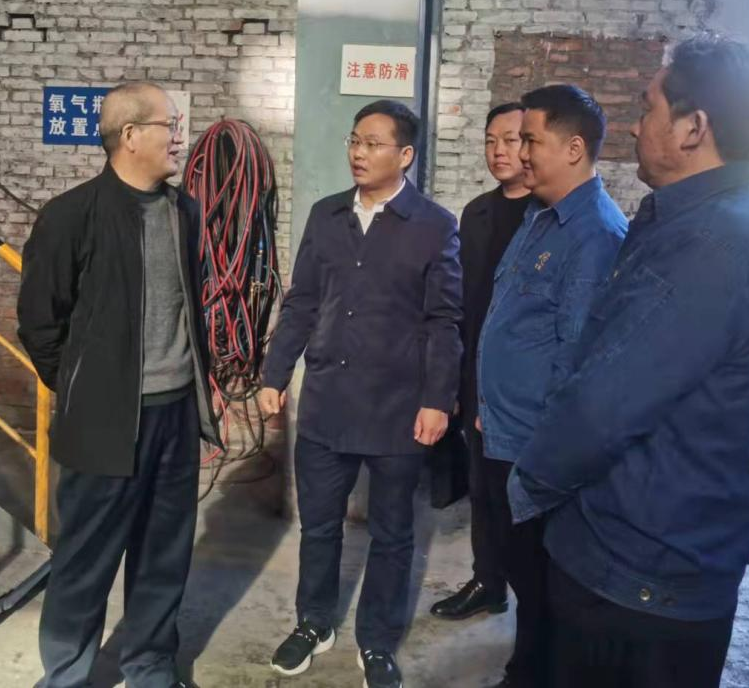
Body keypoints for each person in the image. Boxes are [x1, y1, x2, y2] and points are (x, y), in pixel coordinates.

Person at [509, 36, 749, 688]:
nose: (636, 127)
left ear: (694, 128)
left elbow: (605, 405)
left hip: (638, 573)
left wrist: (531, 483)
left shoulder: (717, 244)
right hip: (653, 559)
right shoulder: (713, 221)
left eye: (648, 108)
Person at [18, 81, 222, 688]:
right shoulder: (70, 216)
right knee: (85, 559)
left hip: (175, 416)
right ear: (130, 136)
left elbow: (192, 309)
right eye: (169, 126)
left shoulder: (184, 212)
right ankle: (66, 675)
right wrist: (84, 390)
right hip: (106, 422)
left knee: (163, 555)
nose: (179, 138)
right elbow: (40, 322)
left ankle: (151, 665)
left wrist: (200, 388)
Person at [258, 100, 462, 688]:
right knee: (320, 527)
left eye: (373, 143)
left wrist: (437, 399)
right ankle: (313, 622)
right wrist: (275, 374)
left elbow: (444, 320)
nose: (358, 152)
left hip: (398, 408)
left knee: (392, 533)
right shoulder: (326, 216)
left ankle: (376, 640)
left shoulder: (433, 225)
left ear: (405, 155)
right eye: (354, 140)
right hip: (328, 399)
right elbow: (302, 302)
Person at [472, 84, 627, 688]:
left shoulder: (595, 235)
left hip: (536, 449)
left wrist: (543, 452)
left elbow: (577, 362)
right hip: (503, 430)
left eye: (530, 141)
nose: (520, 153)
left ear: (574, 148)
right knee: (523, 575)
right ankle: (526, 668)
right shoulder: (541, 216)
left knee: (545, 585)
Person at [430, 101, 530, 623]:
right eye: (490, 141)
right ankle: (488, 581)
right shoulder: (477, 213)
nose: (499, 151)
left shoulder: (549, 214)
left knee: (520, 494)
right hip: (476, 375)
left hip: (523, 385)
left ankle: (533, 597)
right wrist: (453, 384)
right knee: (483, 487)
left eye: (511, 139)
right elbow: (462, 303)